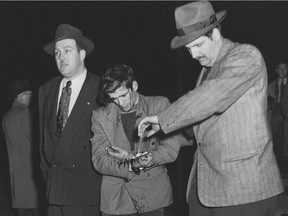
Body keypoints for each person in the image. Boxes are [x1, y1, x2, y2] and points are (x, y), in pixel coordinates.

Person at [138, 1, 284, 216]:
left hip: (245, 190)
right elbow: (204, 128)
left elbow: (211, 96)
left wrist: (163, 118)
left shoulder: (245, 56)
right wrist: (155, 140)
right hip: (208, 187)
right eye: (189, 49)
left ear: (215, 34)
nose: (193, 55)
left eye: (198, 46)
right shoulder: (208, 69)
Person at [91, 64, 192, 216]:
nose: (120, 103)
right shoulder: (100, 116)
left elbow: (170, 150)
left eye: (123, 95)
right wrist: (132, 164)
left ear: (134, 86)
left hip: (152, 197)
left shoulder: (159, 105)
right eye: (114, 98)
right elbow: (99, 160)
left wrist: (148, 158)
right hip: (116, 200)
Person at [39, 23, 102, 216]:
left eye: (67, 51)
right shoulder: (46, 89)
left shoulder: (101, 88)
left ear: (82, 54)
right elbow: (43, 142)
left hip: (86, 193)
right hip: (54, 191)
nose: (61, 57)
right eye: (57, 53)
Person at [2, 80, 44, 216]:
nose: (32, 98)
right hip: (32, 178)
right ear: (21, 96)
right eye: (29, 94)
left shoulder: (6, 117)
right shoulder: (25, 114)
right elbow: (37, 144)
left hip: (17, 178)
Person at [268, 62, 288, 171]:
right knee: (276, 135)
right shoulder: (271, 85)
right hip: (276, 112)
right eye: (280, 68)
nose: (282, 71)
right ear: (276, 70)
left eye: (285, 68)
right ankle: (278, 163)